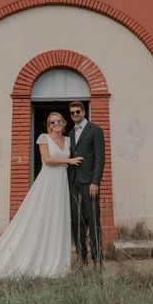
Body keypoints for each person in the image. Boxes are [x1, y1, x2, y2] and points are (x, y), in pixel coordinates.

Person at [0, 112, 83, 282]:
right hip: (48, 180)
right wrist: (69, 161)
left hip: (62, 182)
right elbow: (48, 160)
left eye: (58, 121)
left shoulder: (68, 140)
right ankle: (34, 256)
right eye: (52, 122)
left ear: (64, 123)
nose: (56, 123)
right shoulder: (44, 138)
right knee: (41, 217)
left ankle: (57, 261)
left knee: (58, 218)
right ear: (49, 125)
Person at [67, 101, 105, 267]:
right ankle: (82, 257)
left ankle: (97, 258)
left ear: (83, 112)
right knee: (76, 221)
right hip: (73, 182)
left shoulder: (95, 130)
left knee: (93, 220)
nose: (75, 115)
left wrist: (95, 182)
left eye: (78, 112)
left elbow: (100, 158)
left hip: (89, 183)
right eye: (72, 113)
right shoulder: (70, 133)